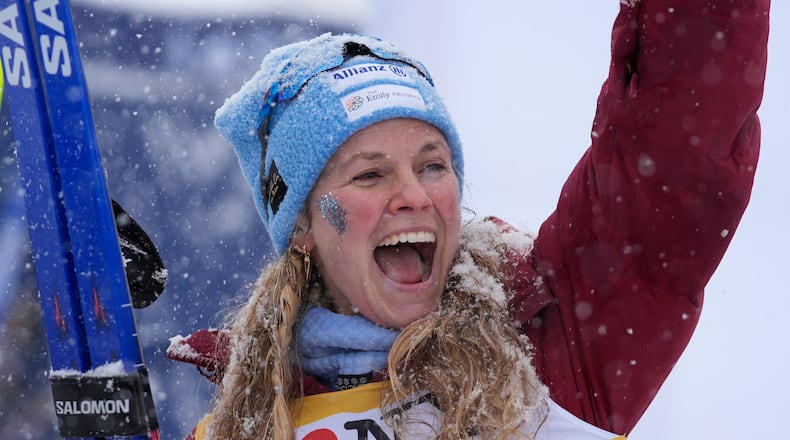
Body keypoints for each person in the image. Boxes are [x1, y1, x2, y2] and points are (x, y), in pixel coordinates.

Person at [168, 1, 770, 438]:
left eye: (433, 166)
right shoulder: (239, 419)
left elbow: (676, 150)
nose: (414, 196)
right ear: (302, 224)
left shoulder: (547, 349)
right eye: (370, 175)